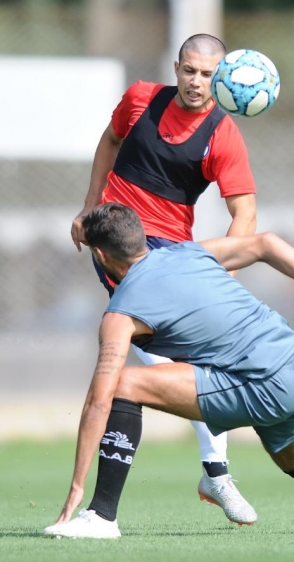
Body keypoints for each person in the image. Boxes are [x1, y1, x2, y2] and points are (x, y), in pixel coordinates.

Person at [44, 202, 294, 539]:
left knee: (123, 384)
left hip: (265, 383)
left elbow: (99, 402)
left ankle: (101, 515)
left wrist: (76, 487)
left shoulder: (120, 313)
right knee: (293, 457)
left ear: (102, 256)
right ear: (140, 236)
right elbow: (266, 243)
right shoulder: (187, 252)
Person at [70, 33, 258, 523]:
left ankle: (206, 476)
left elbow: (245, 216)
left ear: (220, 80)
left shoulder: (222, 135)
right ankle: (213, 474)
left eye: (208, 75)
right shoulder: (139, 99)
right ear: (176, 68)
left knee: (183, 361)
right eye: (189, 71)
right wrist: (91, 207)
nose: (197, 83)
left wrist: (215, 271)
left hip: (172, 256)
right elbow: (110, 141)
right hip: (121, 249)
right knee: (170, 359)